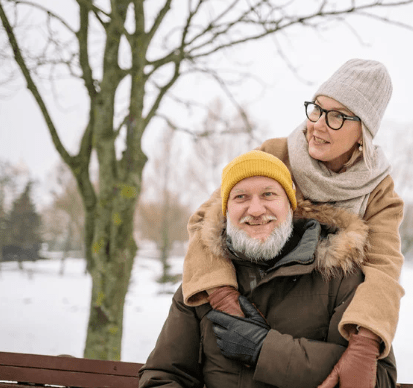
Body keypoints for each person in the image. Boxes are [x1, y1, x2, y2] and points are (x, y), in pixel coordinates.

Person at [182, 58, 405, 387]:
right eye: (316, 109)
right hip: (254, 303)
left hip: (322, 321)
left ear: (364, 132)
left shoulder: (378, 193)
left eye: (337, 117)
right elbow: (206, 221)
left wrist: (364, 343)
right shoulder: (275, 155)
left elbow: (384, 269)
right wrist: (223, 296)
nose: (318, 124)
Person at [139, 151, 397, 388]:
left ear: (291, 205)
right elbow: (163, 377)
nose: (255, 210)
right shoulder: (203, 283)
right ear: (226, 211)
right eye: (240, 197)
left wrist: (265, 349)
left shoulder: (340, 277)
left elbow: (379, 379)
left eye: (268, 195)